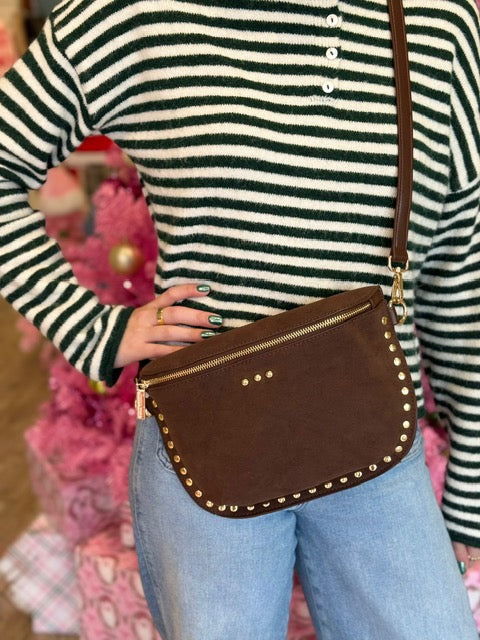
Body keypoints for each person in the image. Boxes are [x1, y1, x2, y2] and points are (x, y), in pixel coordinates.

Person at [1, 0, 479, 638]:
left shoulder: (436, 24)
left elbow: (458, 266)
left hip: (377, 442)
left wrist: (472, 482)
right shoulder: (134, 13)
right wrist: (94, 329)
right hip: (204, 440)